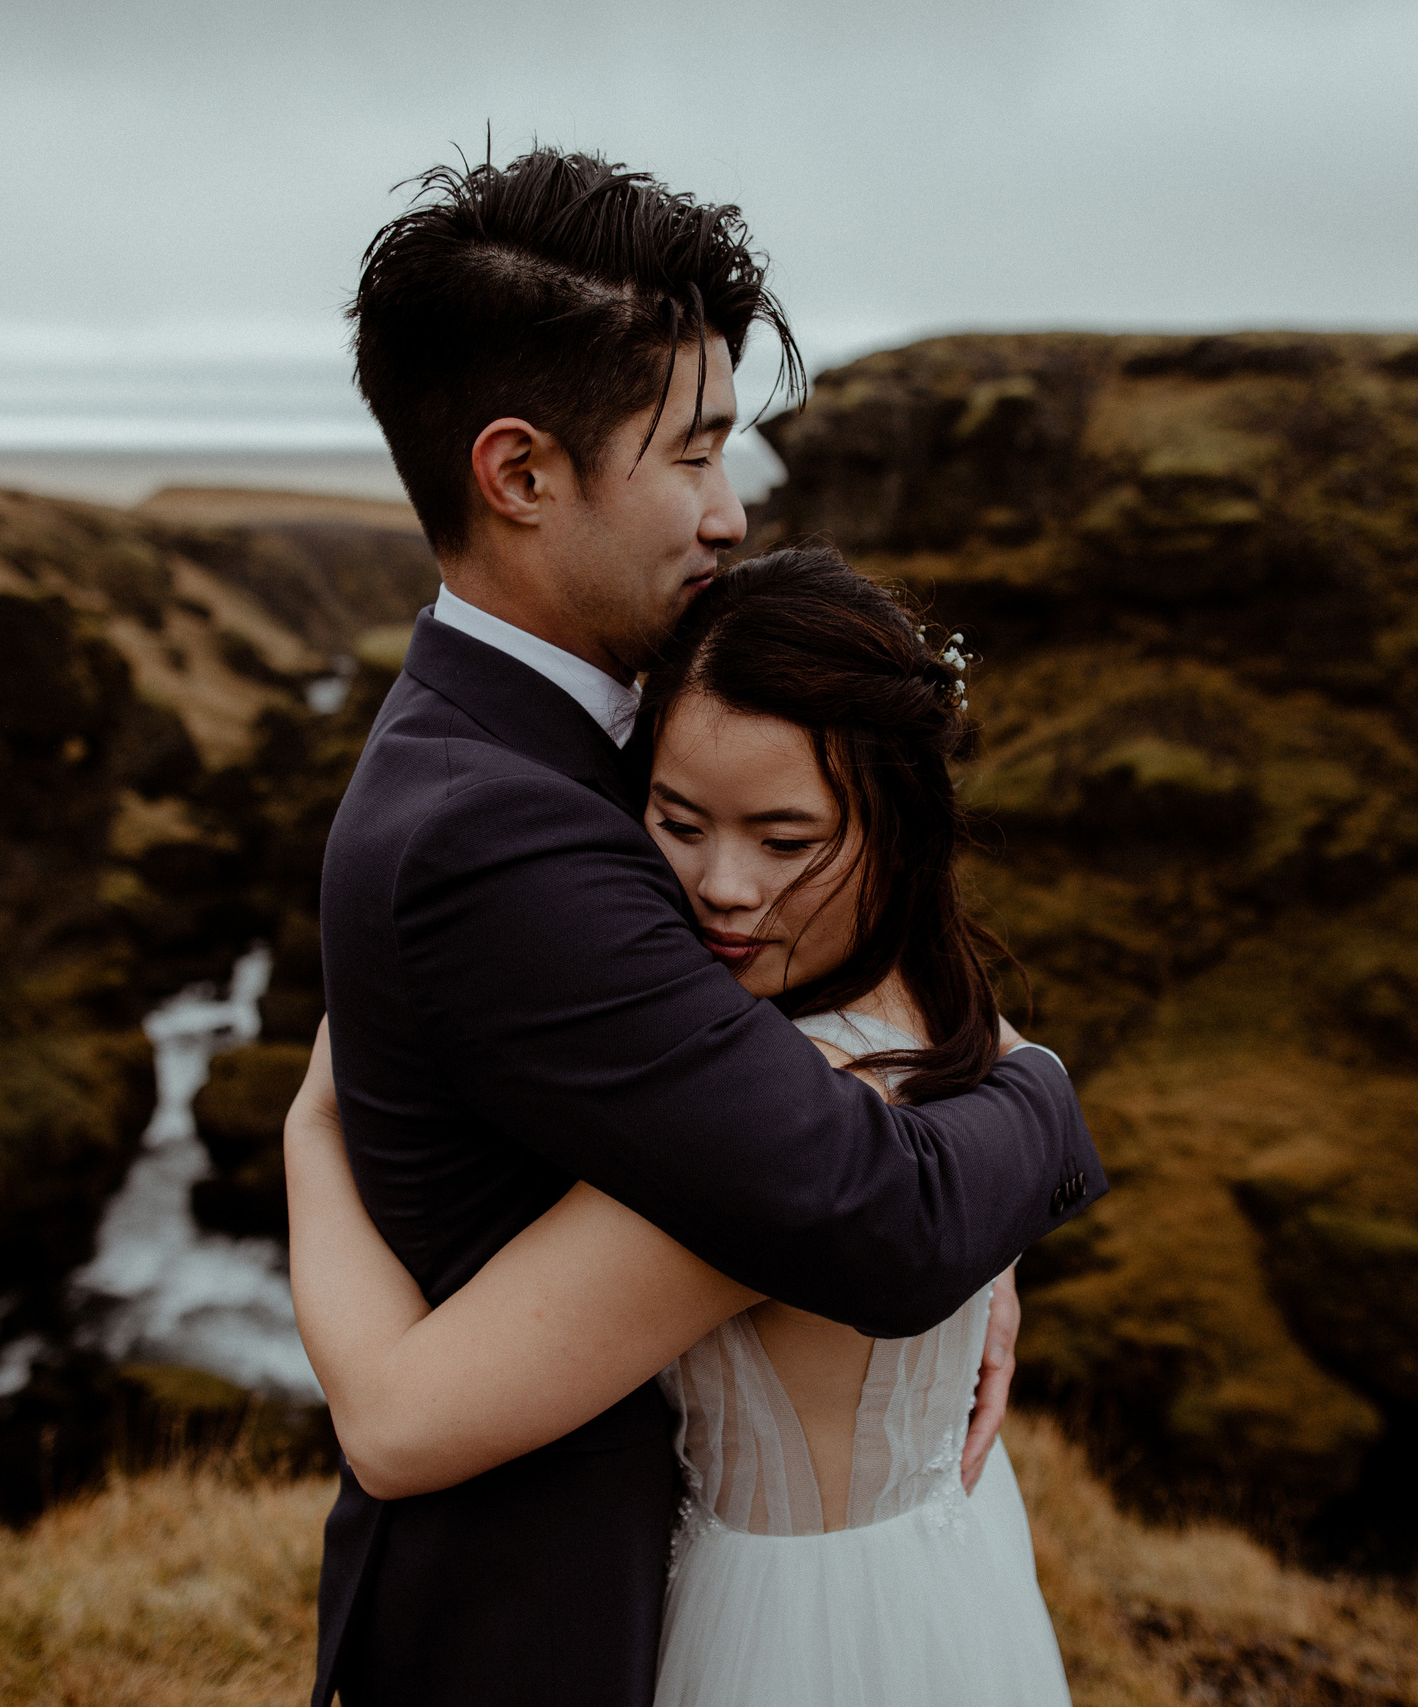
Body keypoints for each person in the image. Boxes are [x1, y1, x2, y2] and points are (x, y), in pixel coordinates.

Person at [293, 148, 1105, 1707]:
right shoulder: (500, 832)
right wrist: (1037, 1097)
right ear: (519, 472)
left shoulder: (567, 733)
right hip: (545, 1630)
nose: (732, 515)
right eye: (693, 455)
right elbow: (878, 1216)